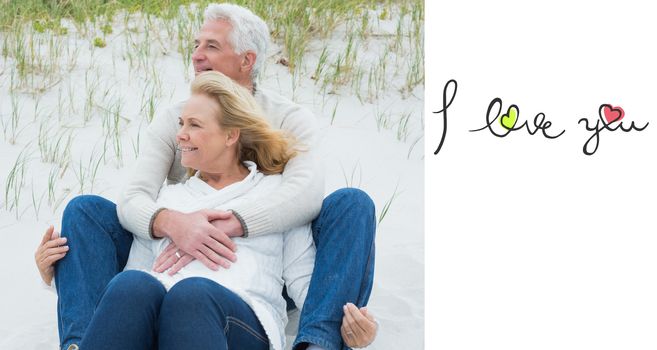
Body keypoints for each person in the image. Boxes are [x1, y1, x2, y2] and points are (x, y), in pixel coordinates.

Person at [47, 3, 377, 350]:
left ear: (246, 60)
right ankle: (81, 342)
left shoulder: (288, 120)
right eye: (196, 45)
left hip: (255, 272)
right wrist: (173, 223)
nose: (197, 56)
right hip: (179, 256)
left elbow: (304, 197)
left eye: (211, 46)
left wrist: (231, 222)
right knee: (89, 219)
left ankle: (320, 341)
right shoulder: (174, 137)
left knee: (352, 204)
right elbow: (133, 204)